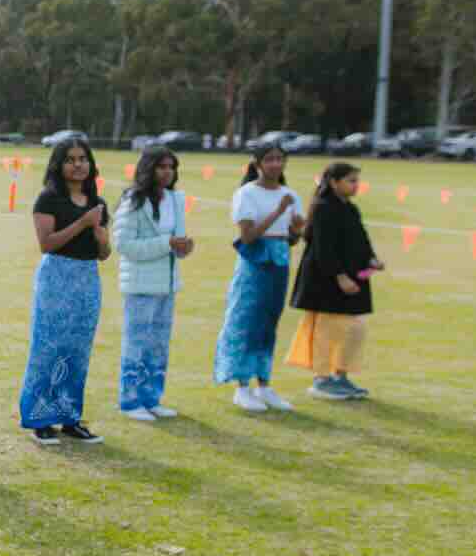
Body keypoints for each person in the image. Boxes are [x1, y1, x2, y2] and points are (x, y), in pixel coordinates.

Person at [17, 137, 111, 444]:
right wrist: (83, 223)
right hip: (56, 277)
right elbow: (46, 244)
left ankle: (70, 418)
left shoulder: (98, 203)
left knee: (78, 351)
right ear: (59, 165)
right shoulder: (48, 199)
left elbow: (104, 254)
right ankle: (40, 419)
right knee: (48, 348)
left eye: (83, 158)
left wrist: (101, 238)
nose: (78, 165)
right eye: (70, 159)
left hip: (87, 279)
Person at [213, 142, 306, 412]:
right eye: (269, 159)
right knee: (247, 320)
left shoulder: (290, 194)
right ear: (257, 164)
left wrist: (296, 230)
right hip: (255, 262)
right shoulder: (247, 194)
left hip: (280, 260)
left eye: (280, 159)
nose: (276, 164)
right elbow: (248, 236)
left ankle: (264, 385)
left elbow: (291, 239)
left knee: (269, 322)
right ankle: (242, 387)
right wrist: (278, 211)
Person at [286, 162, 383, 401]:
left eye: (356, 180)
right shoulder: (323, 208)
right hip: (326, 279)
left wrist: (371, 259)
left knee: (354, 329)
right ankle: (321, 380)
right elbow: (323, 248)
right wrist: (339, 276)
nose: (356, 185)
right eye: (351, 180)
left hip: (353, 276)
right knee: (328, 330)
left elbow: (362, 239)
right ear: (333, 182)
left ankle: (341, 376)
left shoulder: (351, 209)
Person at [114, 145, 194, 422]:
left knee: (158, 345)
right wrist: (166, 243)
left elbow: (175, 242)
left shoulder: (176, 199)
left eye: (171, 167)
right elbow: (124, 245)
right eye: (161, 166)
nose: (167, 172)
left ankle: (151, 399)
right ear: (148, 169)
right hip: (140, 285)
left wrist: (183, 247)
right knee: (136, 344)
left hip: (167, 285)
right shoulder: (133, 200)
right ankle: (130, 402)